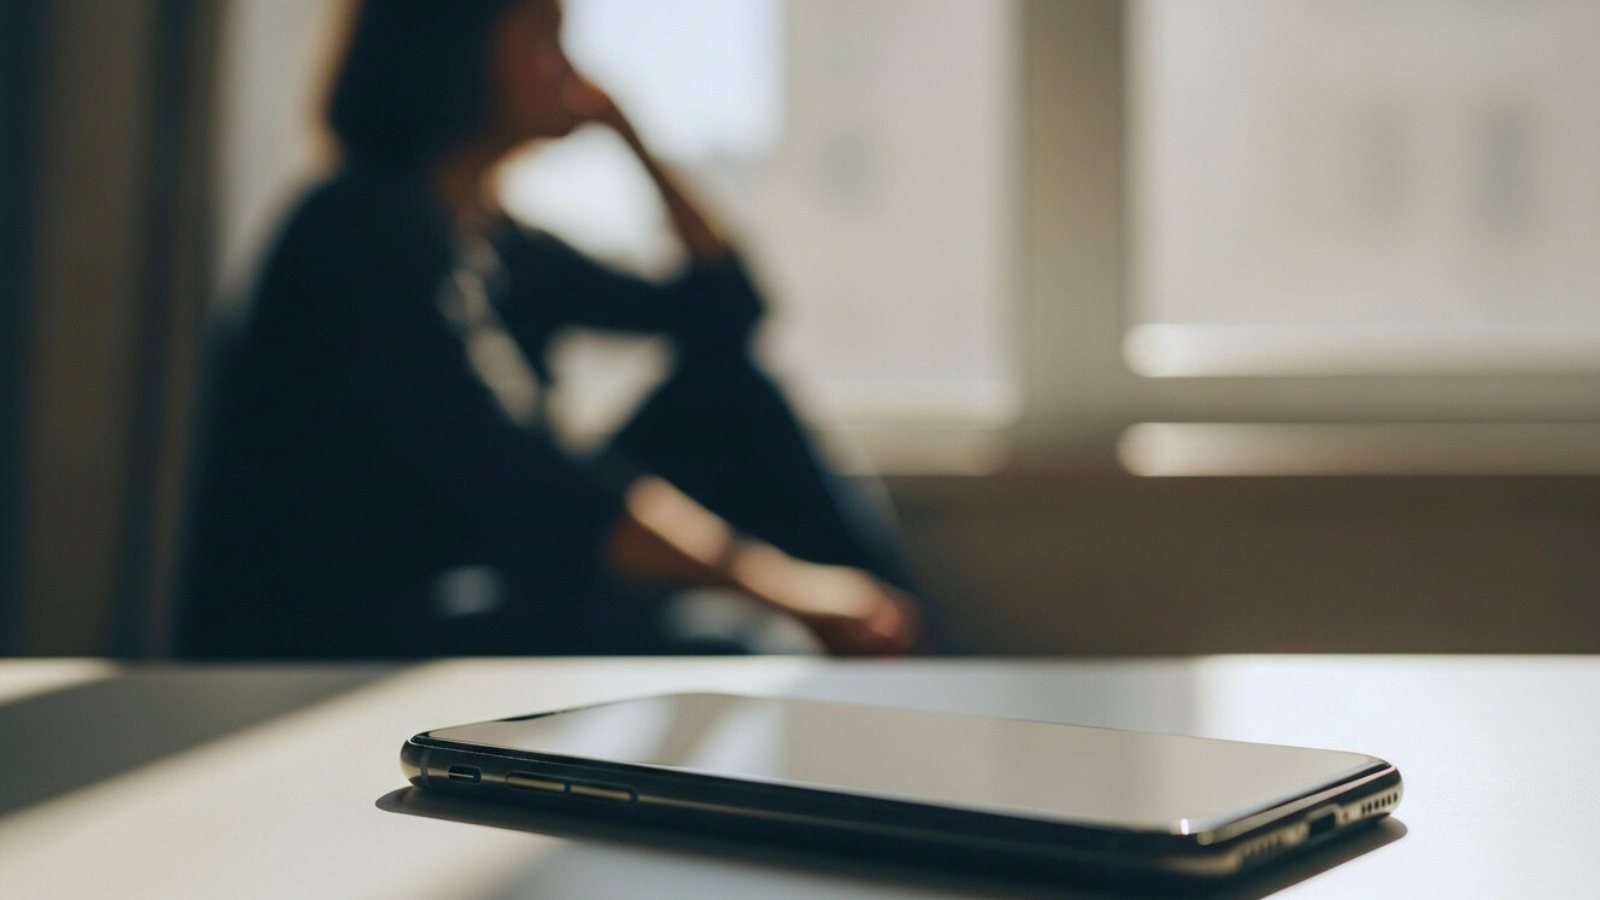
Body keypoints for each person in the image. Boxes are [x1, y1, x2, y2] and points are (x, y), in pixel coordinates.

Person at [179, 0, 925, 658]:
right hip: (359, 623)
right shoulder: (362, 232)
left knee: (730, 393)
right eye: (546, 34)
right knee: (716, 639)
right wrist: (790, 590)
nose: (570, 69)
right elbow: (531, 484)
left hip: (481, 568)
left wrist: (631, 134)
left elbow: (728, 311)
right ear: (460, 46)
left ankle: (897, 652)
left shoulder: (495, 239)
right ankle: (894, 666)